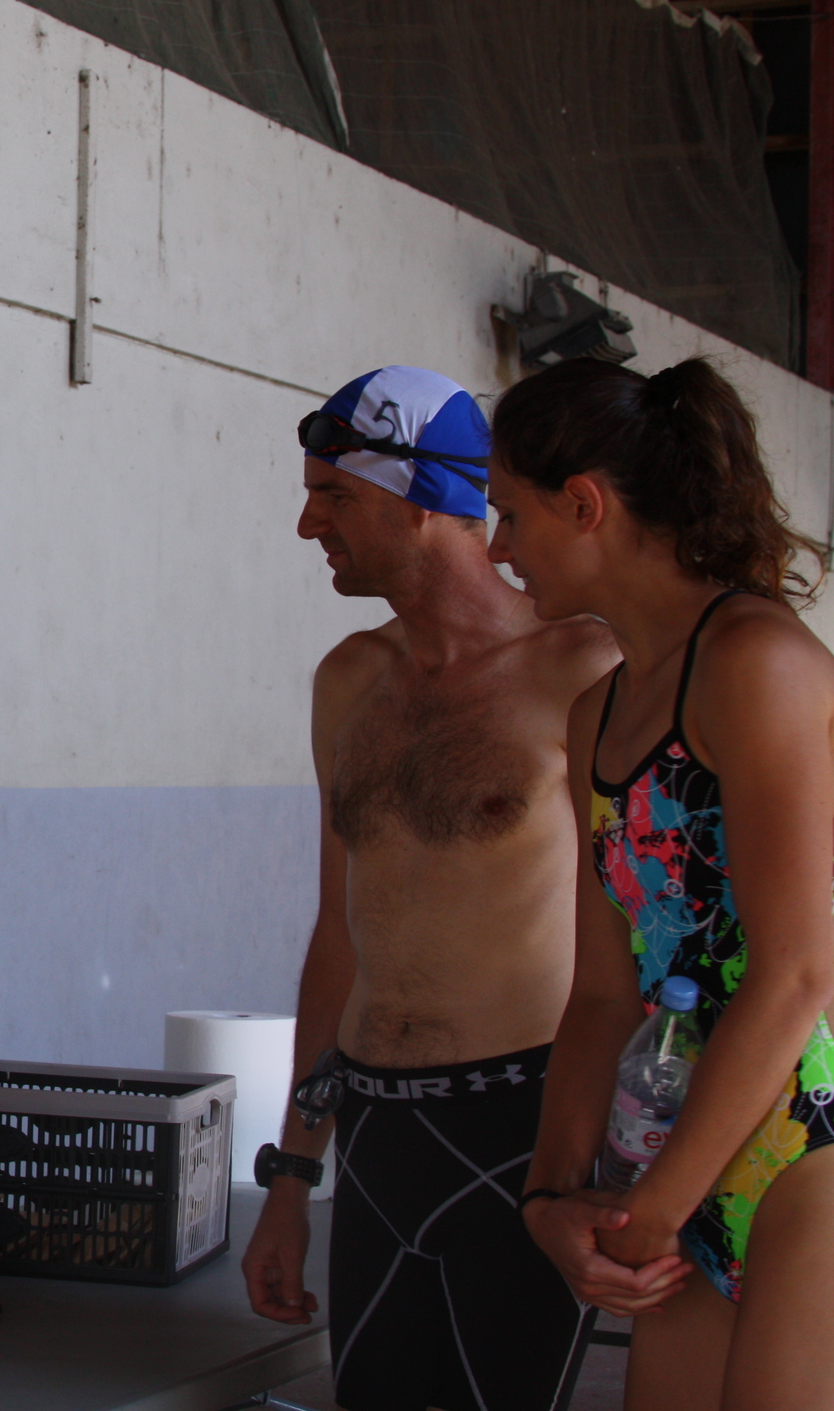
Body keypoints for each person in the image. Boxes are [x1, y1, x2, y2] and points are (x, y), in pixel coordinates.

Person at [239, 366, 619, 1410]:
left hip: (523, 1126)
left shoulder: (582, 669)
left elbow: (637, 939)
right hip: (377, 1129)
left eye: (334, 495)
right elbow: (340, 935)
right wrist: (292, 1176)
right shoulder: (350, 679)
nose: (308, 523)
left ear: (421, 499)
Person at [493, 357, 834, 1409]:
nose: (500, 549)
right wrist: (551, 1196)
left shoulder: (755, 662)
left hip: (810, 1136)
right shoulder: (596, 715)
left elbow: (798, 973)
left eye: (510, 514)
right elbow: (603, 994)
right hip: (687, 1151)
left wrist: (650, 1211)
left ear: (583, 504)